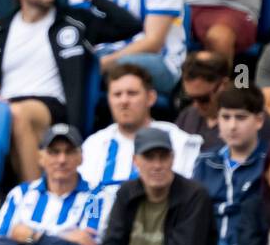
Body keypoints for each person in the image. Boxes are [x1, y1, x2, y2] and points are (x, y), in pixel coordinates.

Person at [0, 0, 143, 182]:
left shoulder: (74, 21)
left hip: (52, 106)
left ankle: (35, 196)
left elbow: (130, 25)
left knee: (15, 114)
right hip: (6, 107)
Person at [78, 63, 203, 199]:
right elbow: (84, 197)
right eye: (117, 94)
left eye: (132, 93)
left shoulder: (177, 140)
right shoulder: (94, 144)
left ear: (151, 98)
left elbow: (185, 194)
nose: (124, 101)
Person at [98, 126, 216, 245]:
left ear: (172, 158)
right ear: (135, 160)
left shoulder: (194, 195)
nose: (157, 165)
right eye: (149, 157)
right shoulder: (126, 191)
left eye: (163, 157)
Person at [0, 123, 105, 245]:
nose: (62, 160)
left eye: (69, 151)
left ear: (81, 157)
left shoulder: (95, 197)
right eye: (54, 152)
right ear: (41, 157)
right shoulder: (20, 194)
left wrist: (31, 237)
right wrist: (62, 239)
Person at [191, 86, 268, 245]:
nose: (232, 126)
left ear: (259, 120)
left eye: (241, 117)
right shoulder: (203, 161)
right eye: (225, 117)